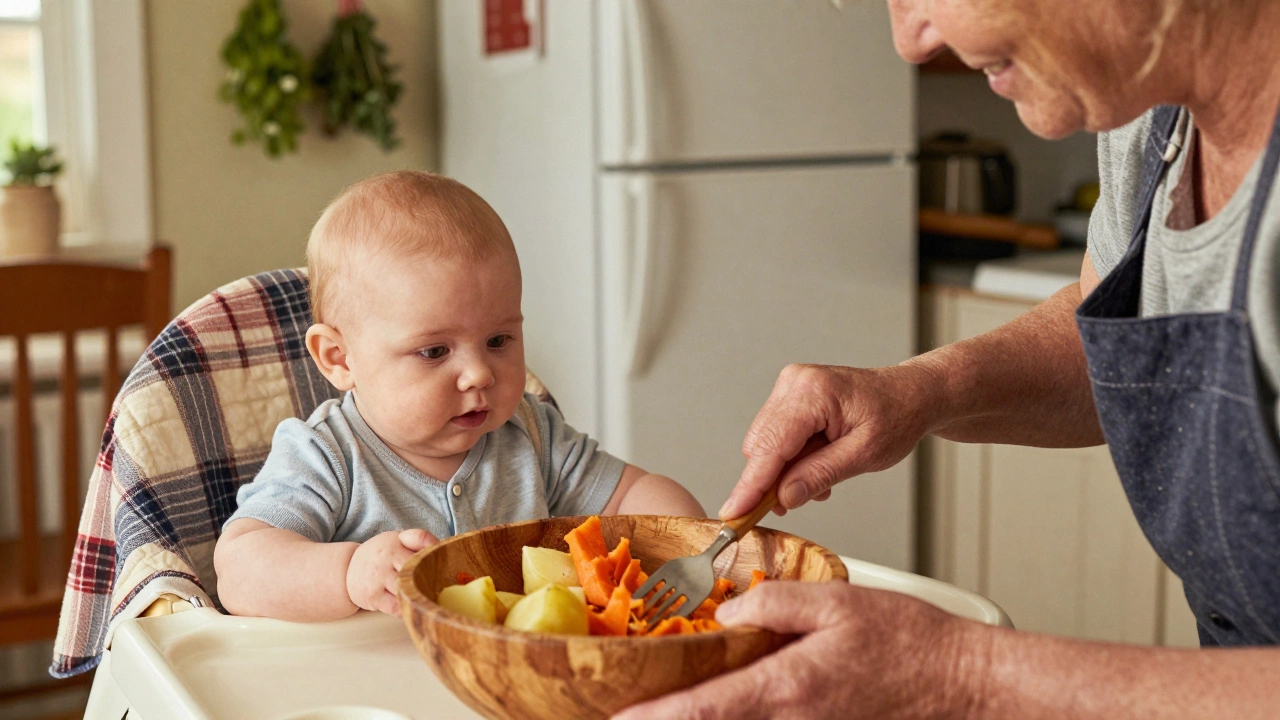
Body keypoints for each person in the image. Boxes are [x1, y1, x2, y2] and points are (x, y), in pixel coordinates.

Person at [616, 0, 1280, 717]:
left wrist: (964, 674)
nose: (910, 42)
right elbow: (1121, 339)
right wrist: (924, 391)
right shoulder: (1146, 112)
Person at [214, 171, 703, 622]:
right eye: (433, 351)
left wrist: (694, 543)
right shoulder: (326, 457)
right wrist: (348, 572)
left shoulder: (532, 435)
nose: (478, 374)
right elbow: (240, 568)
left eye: (498, 341)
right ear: (340, 358)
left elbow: (635, 498)